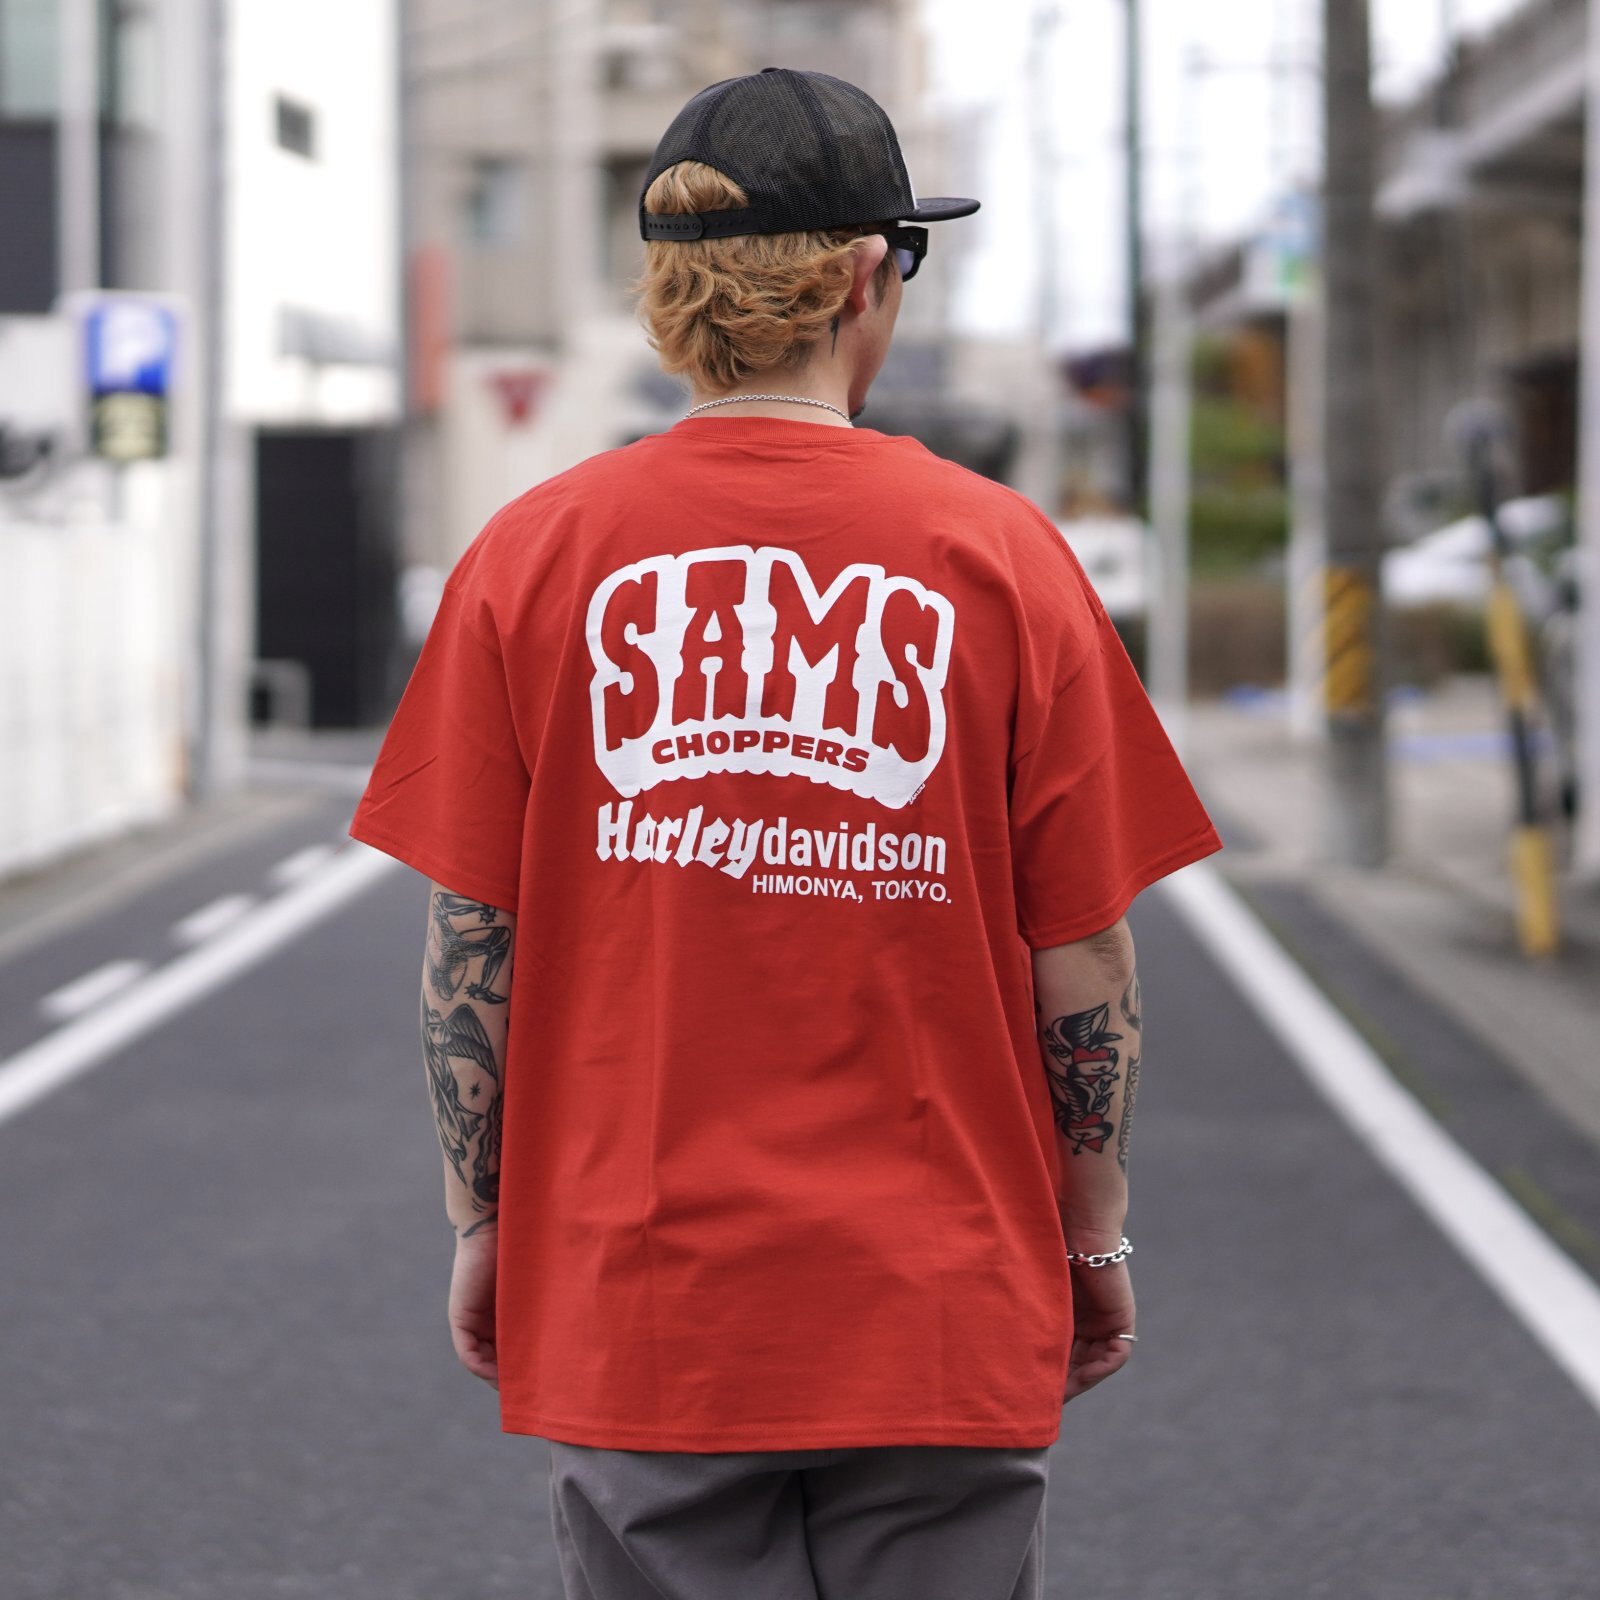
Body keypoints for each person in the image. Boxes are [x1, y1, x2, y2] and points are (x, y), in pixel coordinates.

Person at [346, 64, 1222, 1600]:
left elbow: (473, 937)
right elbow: (1081, 951)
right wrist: (1092, 1239)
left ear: (669, 293)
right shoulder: (1003, 554)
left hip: (642, 1294)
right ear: (868, 274)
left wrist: (483, 1218)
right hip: (938, 1294)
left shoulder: (531, 557)